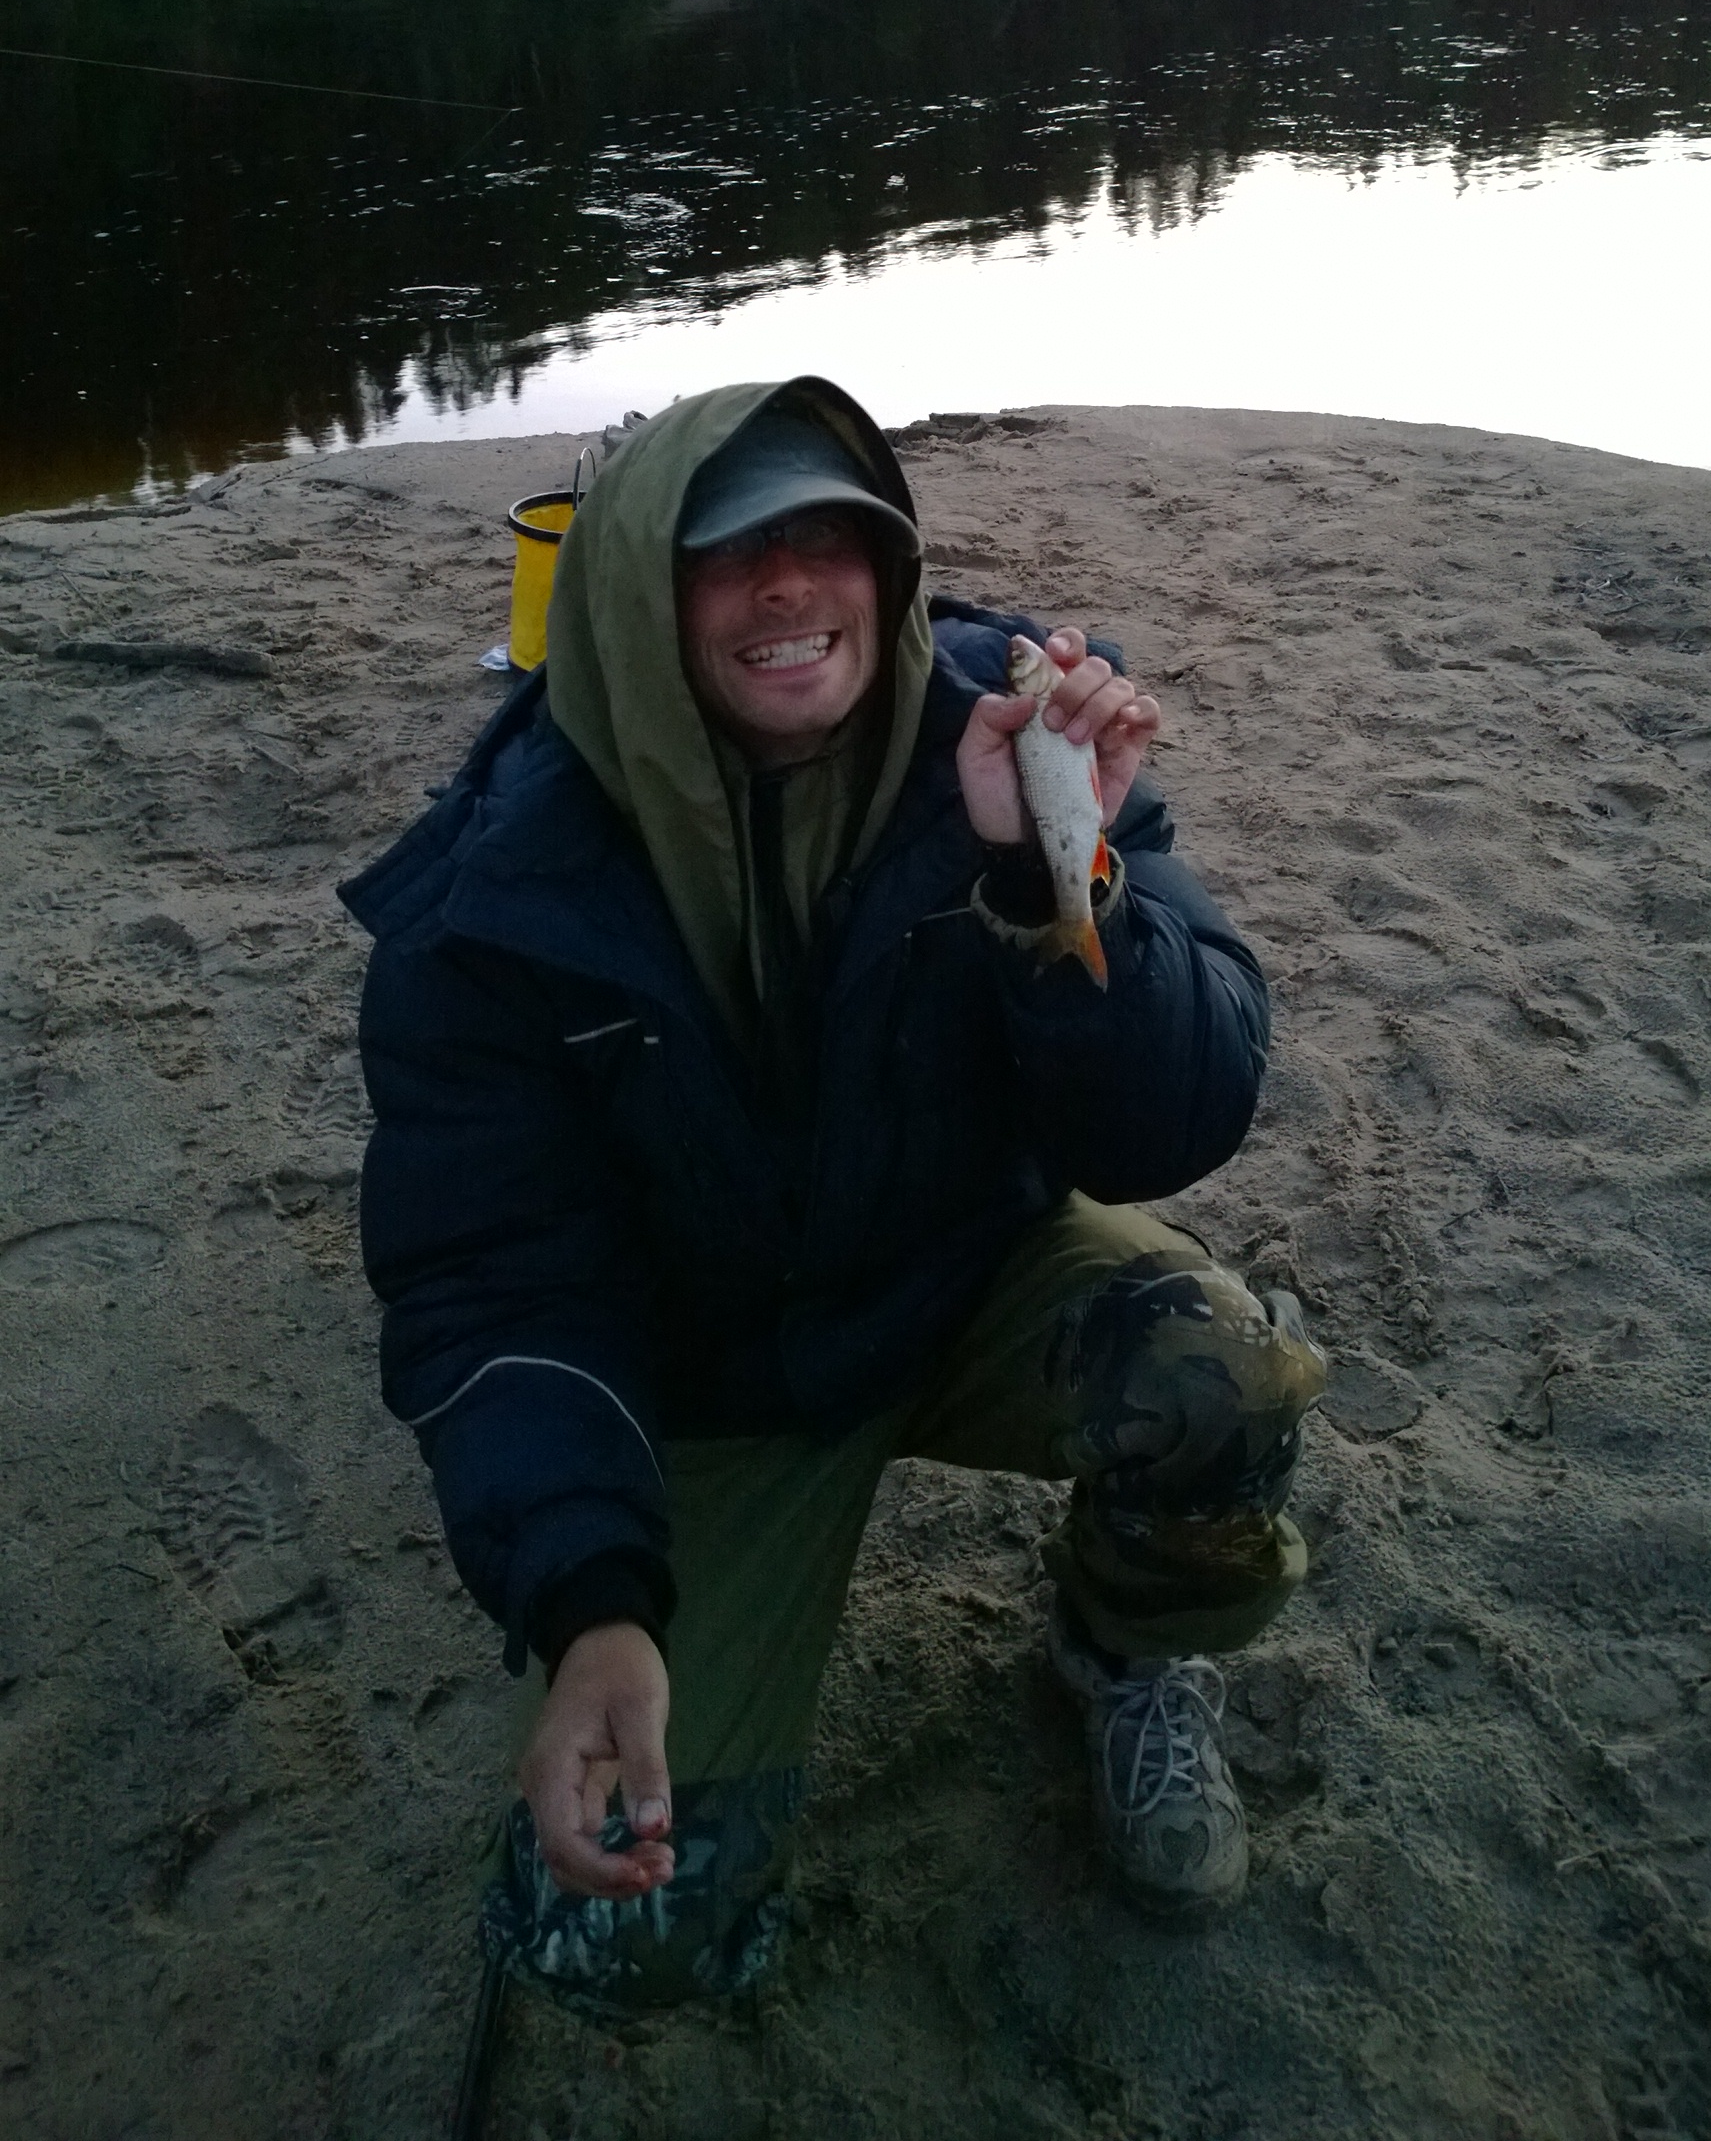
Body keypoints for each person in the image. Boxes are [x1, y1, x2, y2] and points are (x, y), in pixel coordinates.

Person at [345, 378, 1325, 2014]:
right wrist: (589, 1598)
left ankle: (1122, 1651)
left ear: (892, 567)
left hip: (957, 1281)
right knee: (621, 1939)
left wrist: (1048, 879)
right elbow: (494, 1279)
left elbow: (1181, 1120)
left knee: (1220, 1370)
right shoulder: (492, 899)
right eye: (729, 553)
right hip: (713, 1385)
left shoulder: (1014, 732)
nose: (791, 584)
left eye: (831, 539)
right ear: (636, 594)